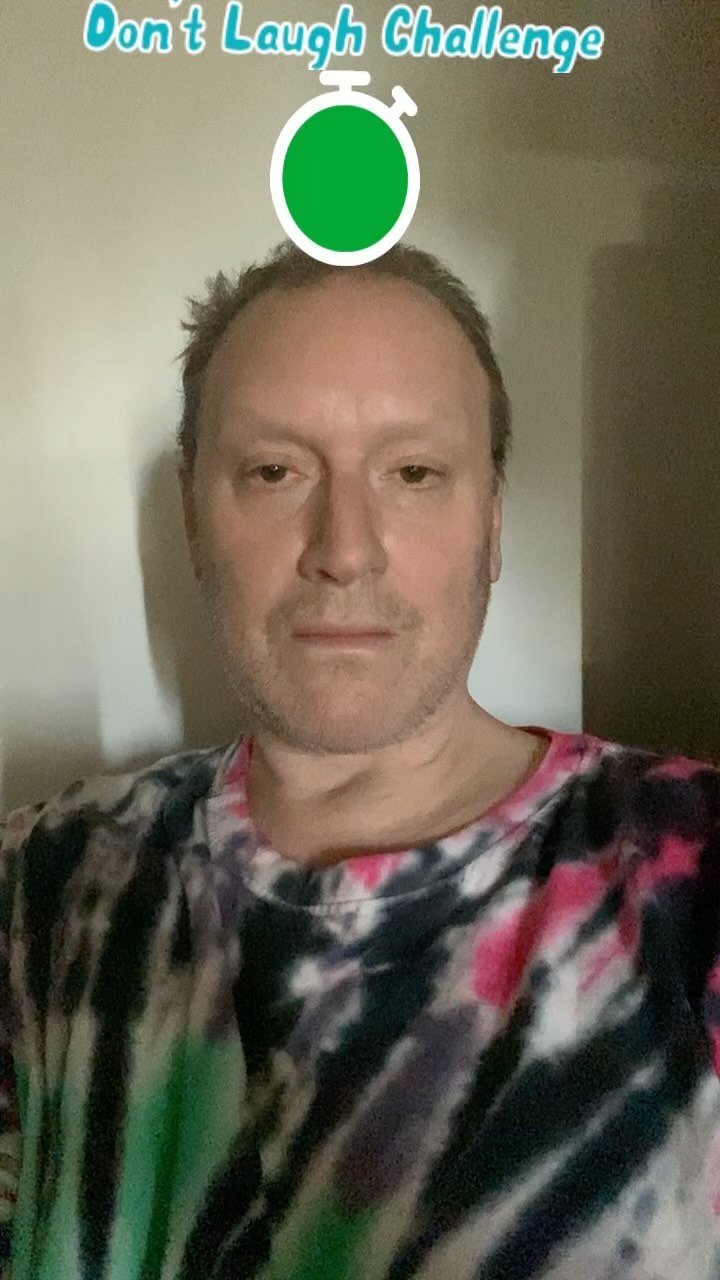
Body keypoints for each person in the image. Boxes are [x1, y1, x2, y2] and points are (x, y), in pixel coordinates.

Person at [1, 238, 718, 1280]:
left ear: (492, 523)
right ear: (195, 522)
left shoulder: (691, 875)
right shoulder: (41, 888)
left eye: (414, 472)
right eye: (275, 471)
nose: (345, 547)